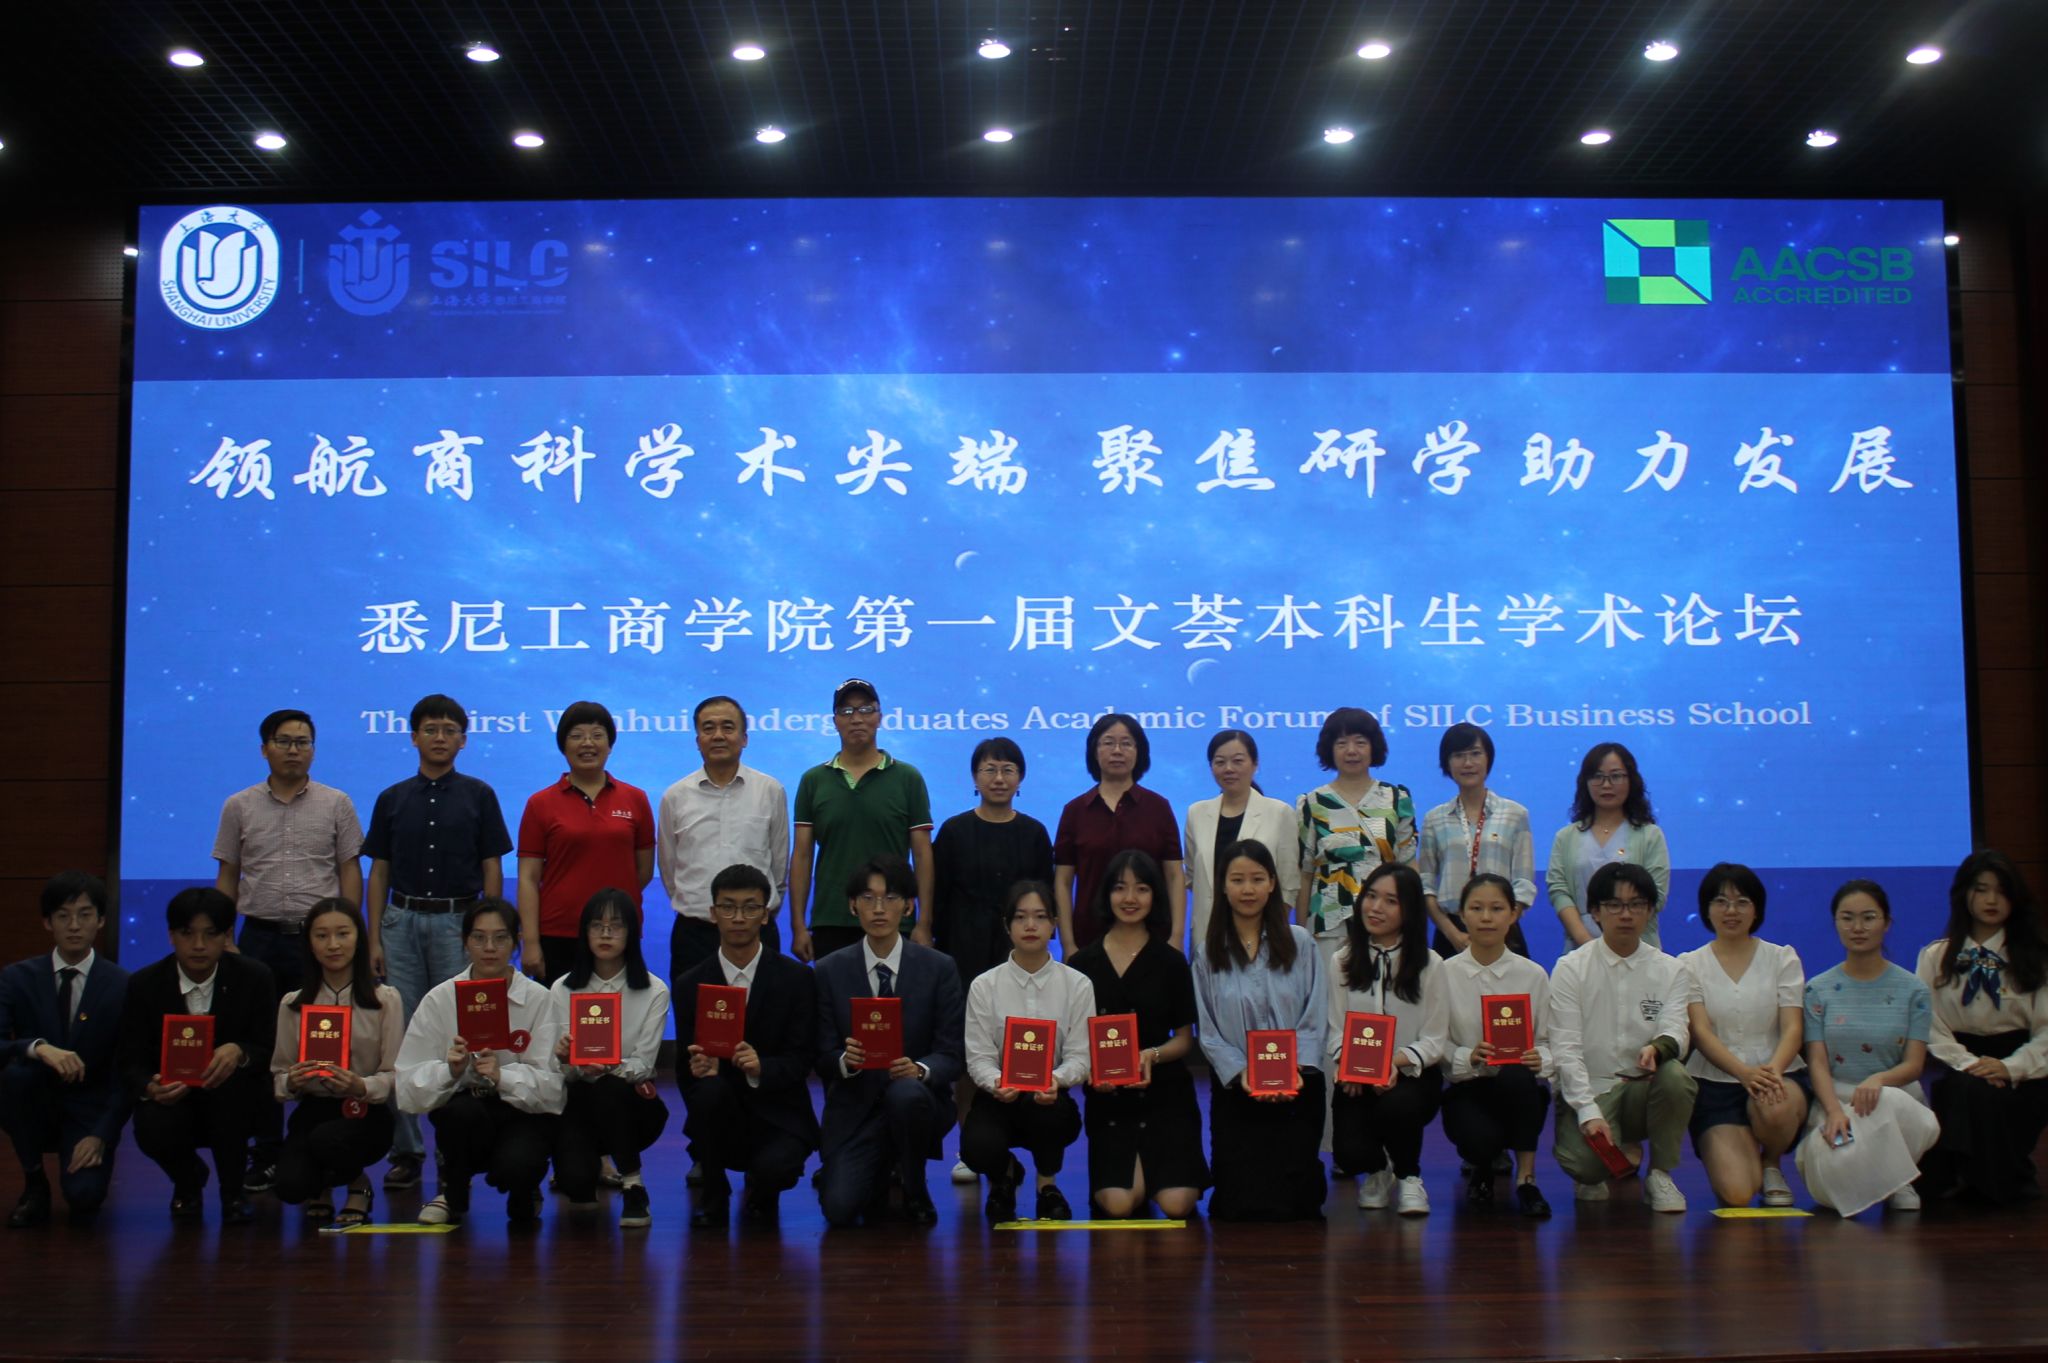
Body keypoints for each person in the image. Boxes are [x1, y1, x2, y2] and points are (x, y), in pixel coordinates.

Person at [361, 692, 513, 1193]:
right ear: (413, 737)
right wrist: (374, 936)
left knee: (459, 1034)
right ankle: (406, 1150)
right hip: (401, 923)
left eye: (450, 730)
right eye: (431, 729)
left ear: (463, 740)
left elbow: (492, 866)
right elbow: (378, 871)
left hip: (457, 924)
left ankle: (453, 1147)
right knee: (401, 1037)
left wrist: (488, 931)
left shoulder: (479, 795)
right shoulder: (391, 798)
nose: (440, 737)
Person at [212, 707, 363, 1191]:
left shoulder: (336, 803)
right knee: (262, 1046)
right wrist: (225, 936)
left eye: (303, 742)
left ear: (313, 750)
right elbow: (229, 874)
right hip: (257, 936)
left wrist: (350, 933)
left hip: (317, 943)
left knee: (321, 1041)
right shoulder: (238, 806)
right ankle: (266, 1150)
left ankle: (315, 1142)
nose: (294, 750)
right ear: (265, 749)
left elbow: (349, 871)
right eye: (284, 741)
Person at [812, 858, 965, 1227]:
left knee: (906, 1094)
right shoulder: (829, 970)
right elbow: (820, 1054)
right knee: (839, 1211)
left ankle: (914, 1184)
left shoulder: (939, 968)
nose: (879, 909)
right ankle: (881, 1165)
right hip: (856, 1107)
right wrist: (845, 1060)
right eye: (868, 898)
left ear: (908, 906)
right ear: (853, 906)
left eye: (890, 898)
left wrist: (920, 1070)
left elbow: (953, 1053)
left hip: (918, 1103)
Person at [396, 898, 566, 1227]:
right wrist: (450, 1071)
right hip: (466, 1110)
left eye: (500, 938)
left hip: (521, 1114)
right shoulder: (441, 999)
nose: (489, 948)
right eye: (479, 937)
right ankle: (452, 1192)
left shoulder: (539, 999)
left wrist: (504, 1076)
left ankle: (525, 1189)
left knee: (518, 1166)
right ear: (465, 942)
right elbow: (407, 1089)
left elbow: (554, 1091)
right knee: (459, 1113)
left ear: (516, 942)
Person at [930, 736, 1053, 1183]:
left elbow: (1044, 900)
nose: (998, 778)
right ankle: (970, 1148)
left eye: (1007, 769)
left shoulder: (1034, 832)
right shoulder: (954, 831)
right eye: (989, 769)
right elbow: (938, 897)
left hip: (1019, 950)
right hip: (962, 948)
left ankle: (1023, 1141)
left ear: (1020, 778)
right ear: (974, 777)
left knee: (1021, 1041)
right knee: (970, 1050)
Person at [118, 887, 277, 1224]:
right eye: (187, 934)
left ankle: (233, 1193)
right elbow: (130, 1058)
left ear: (227, 936)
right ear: (171, 936)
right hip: (173, 1097)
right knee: (150, 1124)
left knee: (233, 1094)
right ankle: (188, 1184)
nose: (199, 945)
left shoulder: (254, 977)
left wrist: (240, 1051)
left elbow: (269, 1048)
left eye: (211, 934)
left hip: (233, 1095)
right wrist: (150, 1086)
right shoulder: (144, 984)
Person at [675, 864, 819, 1229]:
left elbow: (802, 1059)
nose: (738, 917)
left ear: (766, 915)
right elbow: (682, 1069)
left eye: (750, 907)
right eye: (728, 907)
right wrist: (699, 1069)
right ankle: (714, 1193)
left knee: (775, 1170)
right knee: (707, 1092)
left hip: (779, 1112)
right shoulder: (691, 984)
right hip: (721, 1113)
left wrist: (761, 1067)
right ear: (713, 913)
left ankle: (762, 1190)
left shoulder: (797, 979)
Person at [1066, 851, 1209, 1219]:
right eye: (1120, 888)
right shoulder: (1082, 965)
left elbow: (1184, 1039)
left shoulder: (1171, 961)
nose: (1130, 898)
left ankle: (1154, 1176)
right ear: (1106, 894)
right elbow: (1075, 1043)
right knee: (1119, 1206)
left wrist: (1152, 1055)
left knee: (1177, 1206)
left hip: (1167, 1097)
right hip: (1110, 1102)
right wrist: (1091, 1072)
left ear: (1154, 895)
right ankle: (1137, 1179)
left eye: (1141, 888)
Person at [1549, 863, 1695, 1212]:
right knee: (1585, 1167)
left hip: (1641, 1088)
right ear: (1595, 912)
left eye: (1636, 904)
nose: (1626, 914)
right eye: (1614, 905)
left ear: (1651, 910)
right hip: (1592, 1089)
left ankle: (1660, 1174)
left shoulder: (1672, 969)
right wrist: (1587, 1111)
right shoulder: (1570, 968)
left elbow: (1677, 1028)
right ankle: (1597, 1162)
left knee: (1676, 1077)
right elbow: (1565, 1049)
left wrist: (1659, 1048)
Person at [1195, 838, 1327, 1221]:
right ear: (1223, 886)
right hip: (1239, 1086)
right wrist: (1244, 1073)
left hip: (1297, 1085)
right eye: (1237, 880)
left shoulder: (1301, 943)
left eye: (1257, 879)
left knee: (1298, 1205)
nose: (1248, 889)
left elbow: (1315, 1015)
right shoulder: (1208, 952)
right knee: (1236, 1206)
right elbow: (1208, 1030)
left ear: (1272, 883)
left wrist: (1293, 1071)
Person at [1798, 879, 1937, 1215]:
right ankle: (1879, 1176)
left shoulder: (1914, 990)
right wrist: (1833, 1110)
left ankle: (1897, 1180)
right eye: (1847, 918)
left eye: (1868, 917)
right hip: (1837, 1098)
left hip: (1894, 1097)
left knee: (1902, 1108)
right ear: (1835, 923)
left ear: (1886, 923)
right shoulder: (1818, 989)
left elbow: (1914, 1064)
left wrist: (1878, 1080)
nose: (1857, 928)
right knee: (1835, 1176)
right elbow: (1817, 1062)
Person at [1916, 850, 2047, 1205]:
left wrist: (2010, 1067)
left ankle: (1974, 1177)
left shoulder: (2037, 956)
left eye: (2001, 891)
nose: (1991, 900)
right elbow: (1928, 1024)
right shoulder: (1935, 957)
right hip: (1957, 1062)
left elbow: (2046, 1032)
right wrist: (1969, 1064)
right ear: (1964, 894)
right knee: (1965, 1089)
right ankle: (2003, 1179)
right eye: (1981, 889)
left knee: (1980, 1095)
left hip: (2023, 1068)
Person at [0, 871, 130, 1227]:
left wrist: (102, 1134)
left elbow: (127, 1069)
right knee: (14, 1076)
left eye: (85, 915)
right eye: (63, 916)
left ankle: (84, 1159)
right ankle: (34, 1181)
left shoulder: (123, 985)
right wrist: (37, 1048)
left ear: (100, 920)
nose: (74, 926)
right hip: (35, 1099)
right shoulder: (16, 978)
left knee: (84, 1198)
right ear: (47, 922)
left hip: (89, 1108)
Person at [1676, 863, 1807, 1209]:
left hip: (1778, 1074)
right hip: (1715, 1083)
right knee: (1737, 1194)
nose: (1731, 911)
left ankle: (1771, 1163)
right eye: (1720, 901)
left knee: (1773, 1106)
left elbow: (1793, 1028)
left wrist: (1772, 1071)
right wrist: (1744, 1073)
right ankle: (1742, 1147)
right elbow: (1700, 1032)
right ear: (1706, 909)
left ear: (1757, 909)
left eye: (1742, 902)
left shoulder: (1782, 958)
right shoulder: (1689, 964)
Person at [960, 882, 1093, 1222]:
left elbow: (1081, 1056)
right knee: (975, 1148)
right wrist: (996, 1082)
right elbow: (978, 1057)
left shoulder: (1078, 984)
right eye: (1020, 917)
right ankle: (1005, 1173)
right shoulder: (984, 985)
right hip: (998, 1095)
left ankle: (1046, 1184)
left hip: (1049, 1097)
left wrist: (1056, 1079)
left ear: (1054, 924)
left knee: (1052, 1116)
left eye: (1040, 917)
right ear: (1007, 926)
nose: (1030, 925)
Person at [269, 898, 402, 1227]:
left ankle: (358, 1183)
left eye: (343, 934)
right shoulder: (292, 1004)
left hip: (364, 1111)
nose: (333, 945)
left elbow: (396, 1075)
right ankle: (323, 1186)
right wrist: (291, 1081)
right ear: (309, 943)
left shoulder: (385, 1000)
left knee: (328, 1141)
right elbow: (279, 1077)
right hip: (314, 1108)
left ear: (359, 939)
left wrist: (361, 1085)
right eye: (321, 936)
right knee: (289, 1187)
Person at [1327, 862, 1447, 1215]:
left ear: (1409, 910)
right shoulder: (1342, 960)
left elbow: (1435, 1040)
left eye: (1390, 901)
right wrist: (1348, 1064)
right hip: (1356, 1077)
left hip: (1411, 1075)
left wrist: (1392, 1063)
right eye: (1371, 896)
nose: (1376, 908)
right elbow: (1334, 1029)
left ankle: (1409, 1176)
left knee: (1398, 1106)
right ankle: (1380, 1170)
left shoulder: (1431, 965)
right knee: (1348, 1154)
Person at [789, 679, 936, 963]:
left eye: (866, 709)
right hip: (831, 918)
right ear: (834, 721)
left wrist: (924, 922)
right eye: (846, 711)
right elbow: (803, 856)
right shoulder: (813, 781)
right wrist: (798, 926)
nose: (856, 718)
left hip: (894, 918)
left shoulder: (908, 778)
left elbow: (922, 855)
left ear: (880, 717)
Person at [549, 889, 671, 1229]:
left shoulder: (654, 990)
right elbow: (558, 1070)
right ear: (584, 932)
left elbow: (643, 1065)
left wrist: (608, 1066)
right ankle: (585, 1167)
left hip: (632, 1104)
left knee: (609, 1087)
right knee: (577, 1186)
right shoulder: (561, 989)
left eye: (615, 926)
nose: (605, 934)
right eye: (596, 926)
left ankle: (633, 1184)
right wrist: (568, 1060)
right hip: (579, 1101)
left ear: (631, 933)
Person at [1438, 874, 1554, 1218]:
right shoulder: (1442, 974)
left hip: (1520, 1087)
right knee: (1480, 1139)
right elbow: (1435, 1041)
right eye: (1476, 908)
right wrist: (1467, 1056)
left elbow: (1550, 1041)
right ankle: (1482, 1167)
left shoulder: (1533, 975)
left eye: (1497, 908)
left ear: (1513, 914)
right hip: (1469, 1086)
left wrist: (1540, 1058)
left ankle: (1527, 1180)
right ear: (1462, 914)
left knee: (1518, 1077)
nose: (1486, 918)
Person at [515, 700, 655, 982]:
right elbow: (528, 878)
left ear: (610, 744)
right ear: (563, 746)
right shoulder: (540, 803)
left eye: (597, 735)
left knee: (621, 1007)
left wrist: (611, 906)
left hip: (619, 932)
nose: (587, 743)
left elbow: (643, 872)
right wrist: (530, 942)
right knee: (559, 1009)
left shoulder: (635, 799)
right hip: (558, 932)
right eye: (576, 735)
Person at [657, 694, 789, 986]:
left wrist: (755, 912)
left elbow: (779, 868)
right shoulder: (674, 797)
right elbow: (669, 870)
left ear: (744, 738)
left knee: (764, 1012)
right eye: (708, 728)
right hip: (695, 935)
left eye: (728, 727)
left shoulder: (770, 790)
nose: (718, 735)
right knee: (695, 1013)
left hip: (757, 932)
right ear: (697, 740)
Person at [1296, 707, 1416, 984]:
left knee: (1383, 996)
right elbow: (1305, 873)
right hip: (1329, 923)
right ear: (1330, 749)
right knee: (1331, 998)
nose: (1351, 750)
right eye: (1342, 743)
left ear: (1374, 747)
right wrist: (1302, 933)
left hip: (1386, 917)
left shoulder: (1395, 798)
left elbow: (1408, 863)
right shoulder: (1313, 803)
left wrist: (1412, 922)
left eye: (1360, 742)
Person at [1054, 713, 1186, 952]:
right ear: (1094, 751)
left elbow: (1175, 876)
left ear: (1139, 752)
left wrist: (1176, 937)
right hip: (1089, 939)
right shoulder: (1075, 811)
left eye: (1126, 743)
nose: (1117, 751)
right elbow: (1063, 881)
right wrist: (1068, 943)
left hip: (1152, 938)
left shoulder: (1159, 808)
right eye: (1108, 742)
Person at [1415, 723, 1535, 957]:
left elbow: (1523, 882)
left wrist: (1504, 924)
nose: (1468, 763)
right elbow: (1426, 885)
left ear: (1488, 758)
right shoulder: (1434, 818)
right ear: (1447, 762)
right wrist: (1451, 933)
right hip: (1452, 934)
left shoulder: (1515, 814)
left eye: (1475, 754)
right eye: (1458, 755)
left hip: (1504, 930)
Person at [1183, 729, 1300, 957]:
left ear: (1255, 764)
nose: (1228, 769)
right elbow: (1192, 877)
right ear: (1211, 767)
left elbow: (1288, 884)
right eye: (1220, 762)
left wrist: (1272, 929)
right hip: (1208, 935)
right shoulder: (1196, 813)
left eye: (1238, 761)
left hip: (1263, 936)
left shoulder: (1279, 813)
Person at [1546, 743, 1670, 951]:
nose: (1606, 784)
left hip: (1637, 947)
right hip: (1580, 948)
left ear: (1631, 780)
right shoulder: (1566, 837)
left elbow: (1656, 895)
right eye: (1597, 776)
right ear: (1585, 782)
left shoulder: (1650, 835)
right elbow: (1559, 892)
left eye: (1616, 776)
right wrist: (1587, 943)